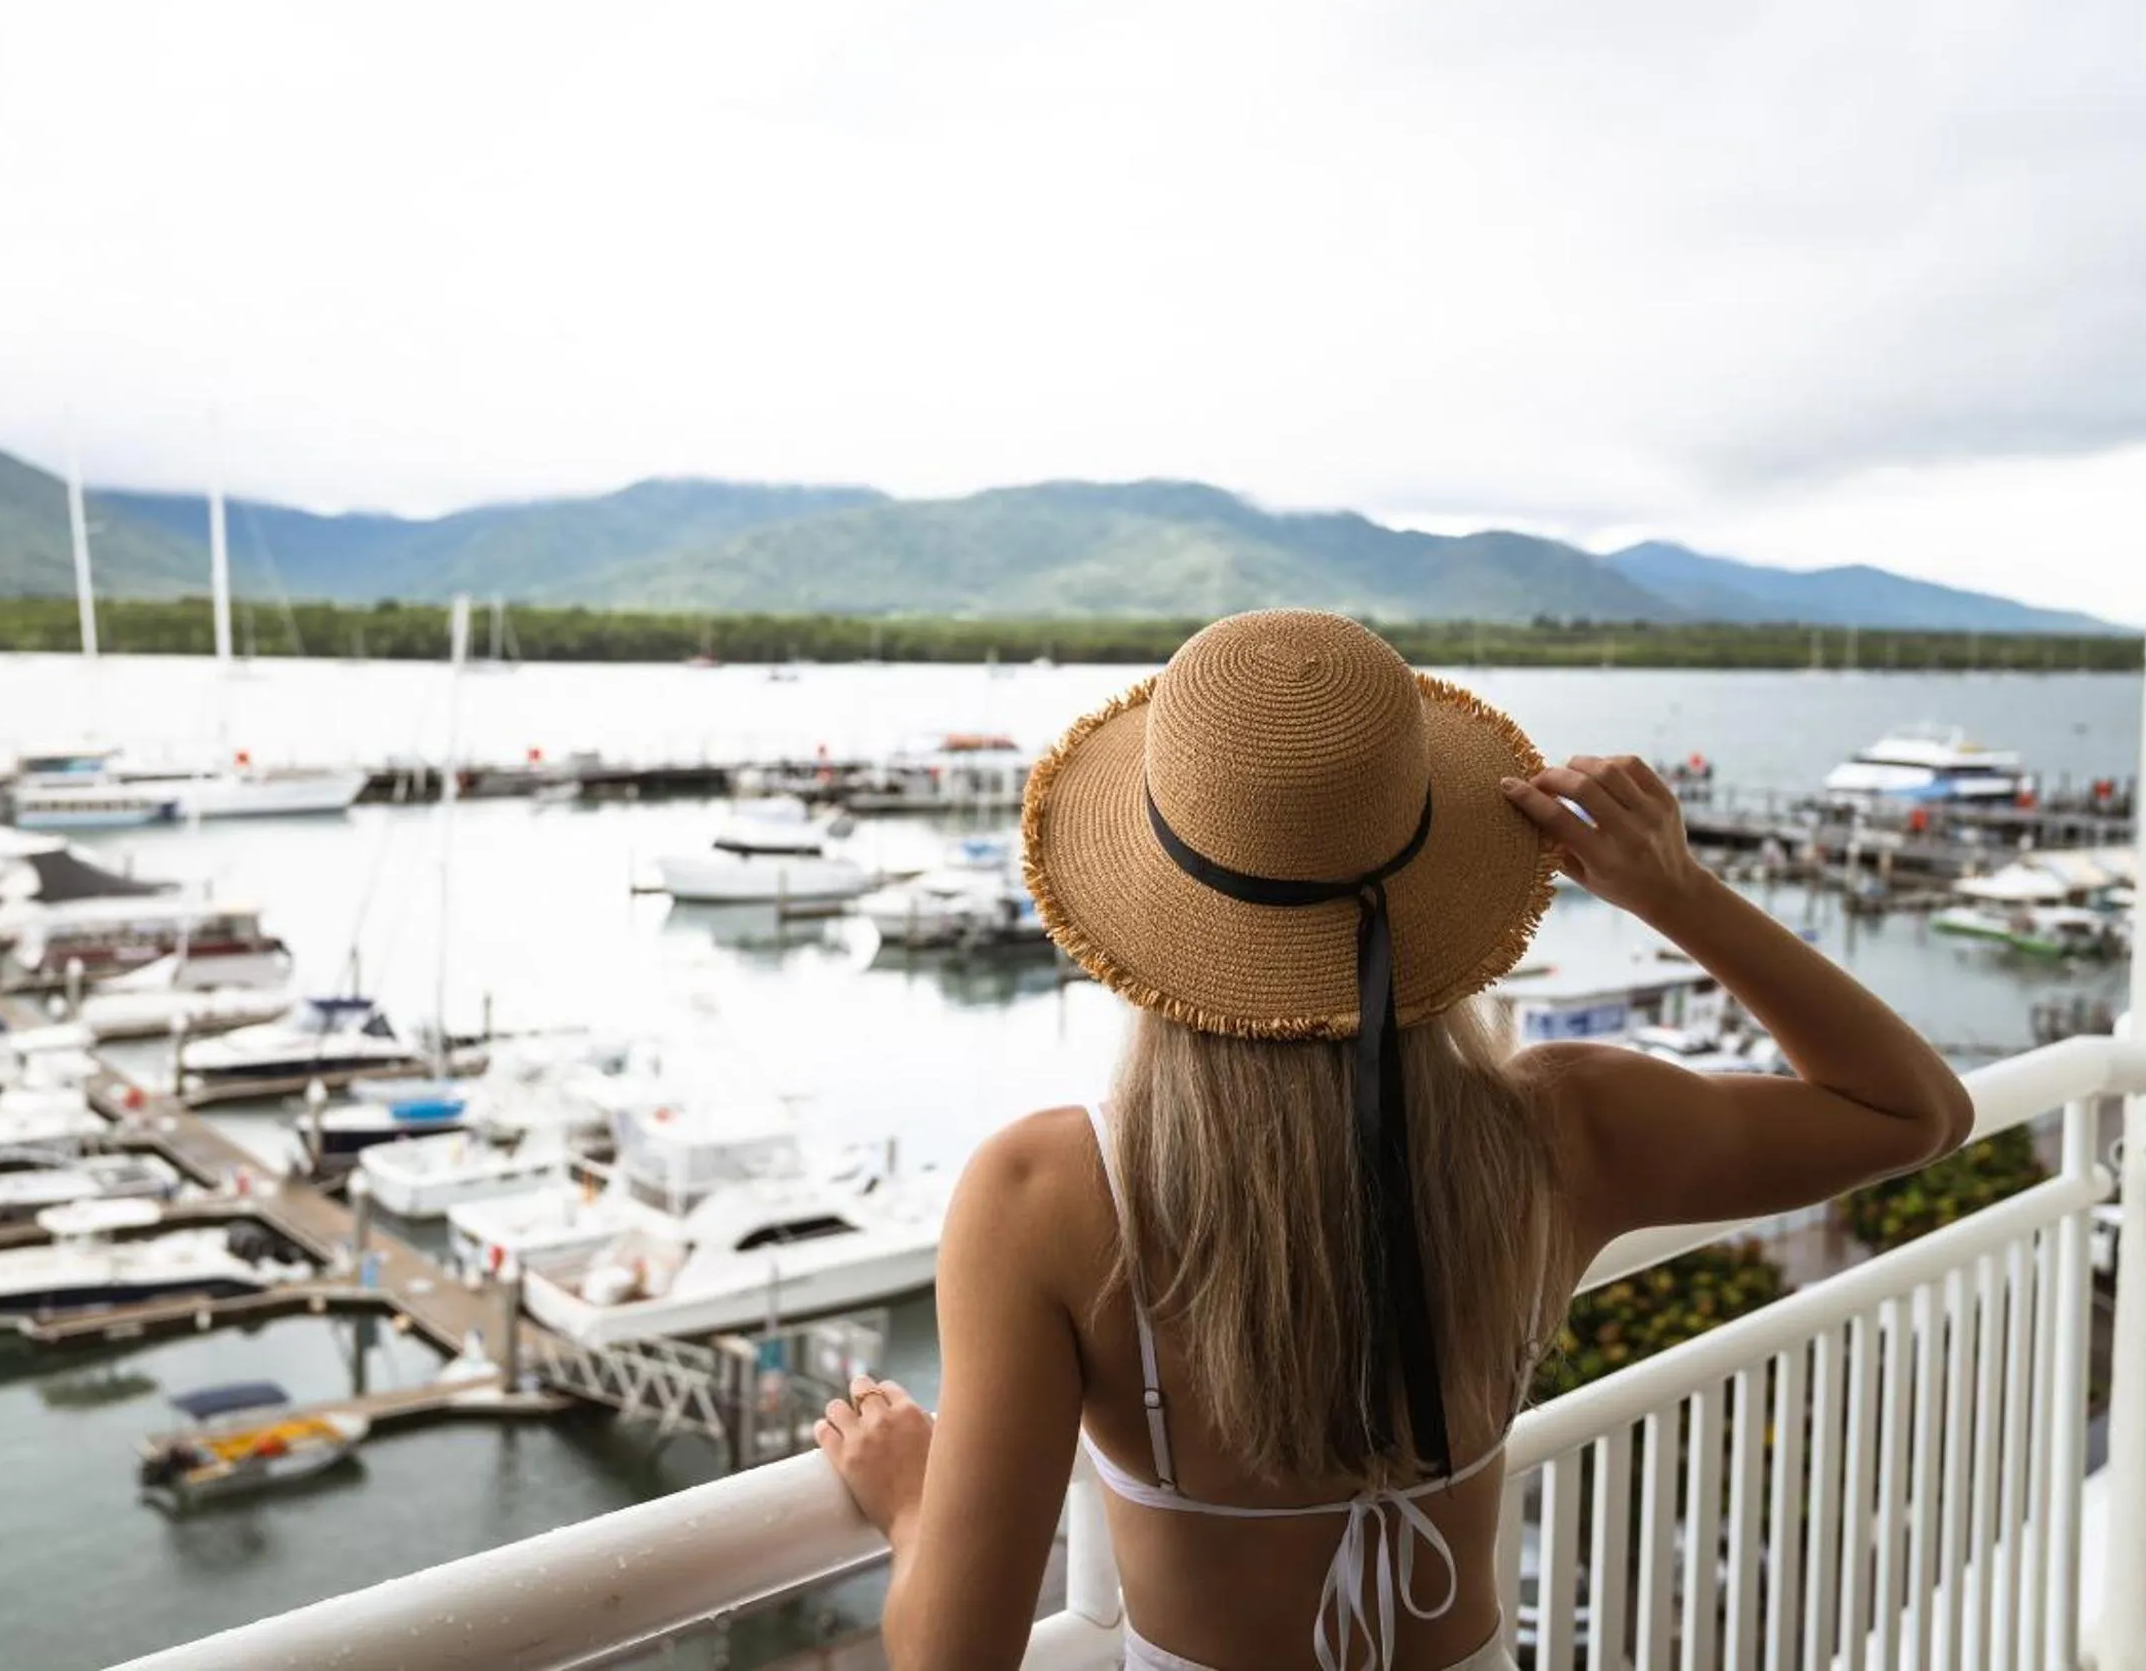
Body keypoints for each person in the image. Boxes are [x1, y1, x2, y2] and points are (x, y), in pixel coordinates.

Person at [816, 610, 1970, 1671]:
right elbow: (1913, 1111)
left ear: (1153, 908)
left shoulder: (1047, 1194)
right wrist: (1677, 892)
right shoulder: (1563, 1127)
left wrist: (916, 1507)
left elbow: (949, 1657)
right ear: (1435, 870)